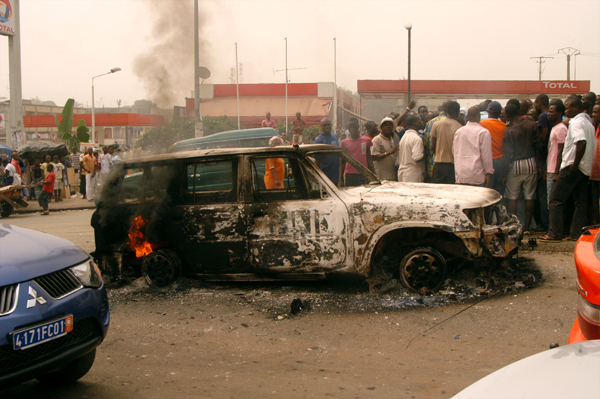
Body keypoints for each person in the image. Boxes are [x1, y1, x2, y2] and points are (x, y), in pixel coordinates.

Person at [542, 97, 596, 242]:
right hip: (585, 168)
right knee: (580, 202)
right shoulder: (588, 123)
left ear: (576, 108)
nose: (566, 111)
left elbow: (581, 142)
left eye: (568, 108)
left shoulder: (576, 122)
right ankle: (575, 234)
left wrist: (574, 164)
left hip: (573, 166)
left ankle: (555, 233)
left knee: (555, 200)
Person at [502, 104, 539, 234]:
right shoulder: (531, 124)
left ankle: (514, 226)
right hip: (531, 162)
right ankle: (528, 228)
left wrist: (504, 173)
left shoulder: (508, 130)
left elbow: (507, 153)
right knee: (530, 196)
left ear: (507, 115)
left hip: (515, 164)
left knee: (513, 197)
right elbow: (538, 144)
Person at [453, 106, 494, 187]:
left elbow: (454, 151)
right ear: (479, 117)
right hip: (477, 174)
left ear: (467, 117)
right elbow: (486, 156)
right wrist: (488, 173)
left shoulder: (459, 131)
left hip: (461, 173)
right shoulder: (483, 132)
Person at [431, 101, 462, 184]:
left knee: (437, 191)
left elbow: (433, 146)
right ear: (458, 112)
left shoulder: (436, 124)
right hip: (453, 165)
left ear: (446, 111)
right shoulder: (460, 128)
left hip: (439, 164)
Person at [480, 101, 507, 194]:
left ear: (488, 111)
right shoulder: (504, 126)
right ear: (500, 113)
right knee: (499, 191)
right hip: (500, 161)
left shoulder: (481, 124)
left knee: (487, 190)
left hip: (486, 162)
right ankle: (500, 207)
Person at [546, 100, 568, 206]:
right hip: (551, 169)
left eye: (551, 112)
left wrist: (557, 172)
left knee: (552, 202)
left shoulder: (561, 129)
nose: (548, 114)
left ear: (559, 113)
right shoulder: (555, 127)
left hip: (555, 170)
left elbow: (561, 150)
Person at [339, 119, 374, 186]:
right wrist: (340, 179)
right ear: (348, 128)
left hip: (363, 173)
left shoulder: (366, 140)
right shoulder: (344, 142)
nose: (352, 129)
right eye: (350, 127)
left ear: (358, 127)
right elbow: (342, 162)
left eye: (354, 127)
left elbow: (369, 158)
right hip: (350, 174)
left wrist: (374, 174)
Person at [423, 101, 448, 181]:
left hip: (431, 165)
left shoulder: (429, 123)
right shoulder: (453, 122)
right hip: (448, 165)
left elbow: (426, 144)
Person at [397, 114, 426, 182]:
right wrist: (425, 153)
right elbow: (417, 157)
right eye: (420, 120)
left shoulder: (405, 136)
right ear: (415, 123)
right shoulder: (416, 138)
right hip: (412, 174)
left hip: (403, 172)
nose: (422, 122)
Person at [312, 117, 340, 185]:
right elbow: (317, 161)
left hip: (336, 174)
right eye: (324, 125)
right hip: (326, 175)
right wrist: (319, 177)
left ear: (331, 125)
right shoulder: (318, 140)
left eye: (328, 124)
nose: (327, 126)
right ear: (321, 126)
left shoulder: (335, 136)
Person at [371, 116, 399, 181]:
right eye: (386, 125)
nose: (388, 127)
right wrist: (389, 153)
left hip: (390, 175)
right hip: (381, 176)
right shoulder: (377, 139)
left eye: (390, 125)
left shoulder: (391, 139)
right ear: (382, 127)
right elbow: (373, 157)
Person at [588, 104, 600, 224]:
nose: (594, 115)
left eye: (596, 112)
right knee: (595, 202)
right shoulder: (596, 128)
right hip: (595, 173)